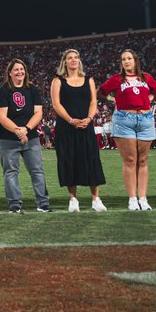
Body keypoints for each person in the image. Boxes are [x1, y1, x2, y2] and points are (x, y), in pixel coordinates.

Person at [98, 49, 156, 211]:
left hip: (145, 119)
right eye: (123, 59)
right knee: (130, 160)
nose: (126, 61)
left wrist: (150, 99)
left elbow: (155, 90)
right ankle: (132, 198)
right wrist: (113, 99)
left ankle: (143, 199)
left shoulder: (146, 77)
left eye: (129, 58)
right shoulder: (117, 79)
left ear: (135, 61)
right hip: (124, 119)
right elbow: (100, 93)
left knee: (143, 160)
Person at [51, 49, 106, 213]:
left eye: (76, 57)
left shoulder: (89, 80)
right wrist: (70, 120)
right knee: (69, 160)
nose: (73, 60)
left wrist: (88, 119)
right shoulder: (58, 80)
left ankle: (96, 199)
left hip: (86, 126)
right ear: (65, 62)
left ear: (79, 60)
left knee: (91, 160)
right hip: (66, 128)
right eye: (70, 58)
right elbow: (56, 104)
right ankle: (73, 199)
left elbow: (93, 102)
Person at [0, 59, 49, 213]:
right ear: (10, 73)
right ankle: (14, 204)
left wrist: (26, 129)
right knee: (11, 172)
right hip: (8, 139)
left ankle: (43, 203)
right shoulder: (4, 90)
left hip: (31, 138)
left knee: (37, 170)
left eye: (22, 69)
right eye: (16, 70)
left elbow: (38, 112)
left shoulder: (32, 89)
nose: (20, 72)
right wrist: (18, 131)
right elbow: (1, 116)